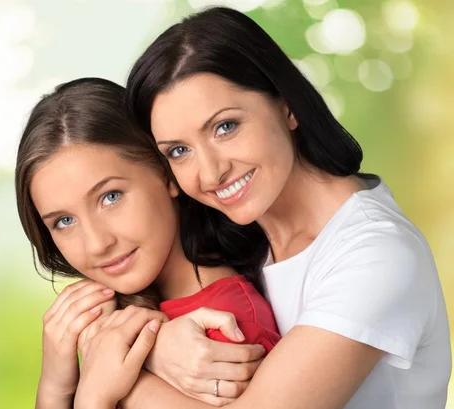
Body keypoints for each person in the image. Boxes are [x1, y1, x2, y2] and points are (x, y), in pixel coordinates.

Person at [110, 6, 451, 409]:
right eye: (179, 151)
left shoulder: (376, 255)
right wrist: (158, 343)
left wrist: (122, 374)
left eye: (225, 127)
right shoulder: (238, 238)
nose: (210, 172)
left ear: (286, 104)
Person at [14, 77, 282, 409]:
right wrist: (55, 384)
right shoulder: (107, 321)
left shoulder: (222, 334)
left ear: (166, 173)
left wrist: (94, 395)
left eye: (110, 197)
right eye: (64, 221)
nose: (97, 243)